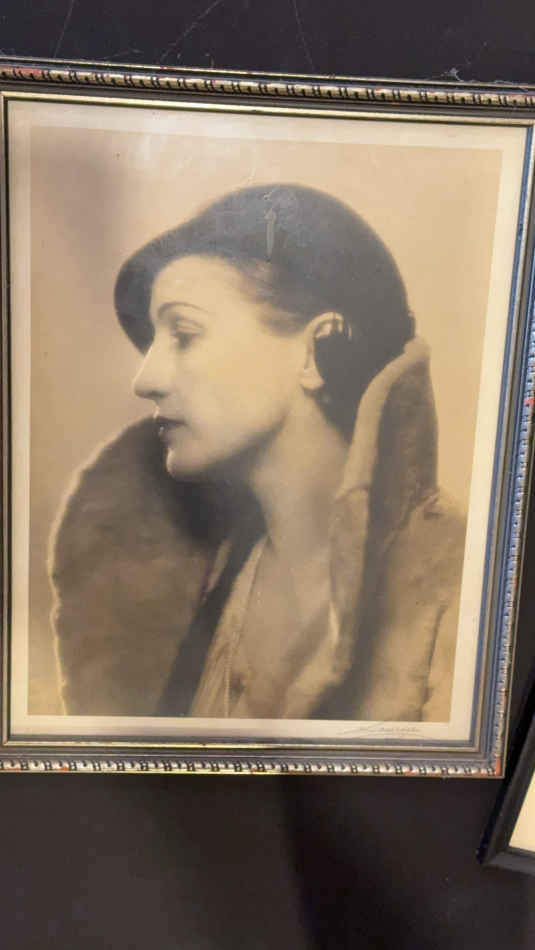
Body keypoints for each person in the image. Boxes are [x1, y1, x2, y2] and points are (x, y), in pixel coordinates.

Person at [49, 184, 465, 721]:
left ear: (318, 348)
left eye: (184, 334)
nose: (144, 379)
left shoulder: (458, 582)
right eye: (153, 341)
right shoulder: (199, 580)